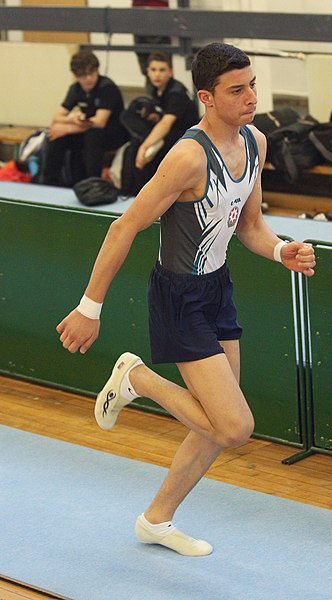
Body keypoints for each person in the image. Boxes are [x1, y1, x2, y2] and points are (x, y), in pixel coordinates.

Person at [56, 42, 316, 557]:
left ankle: (156, 519)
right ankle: (138, 379)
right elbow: (124, 226)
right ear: (206, 97)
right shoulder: (187, 157)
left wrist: (281, 249)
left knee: (214, 423)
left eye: (252, 85)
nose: (250, 97)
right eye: (236, 90)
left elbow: (251, 226)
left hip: (217, 289)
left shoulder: (257, 142)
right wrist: (90, 308)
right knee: (234, 426)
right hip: (178, 296)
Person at [43, 50, 129, 187]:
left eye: (92, 73)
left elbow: (100, 122)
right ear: (75, 75)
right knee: (54, 134)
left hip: (113, 133)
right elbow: (57, 117)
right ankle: (49, 182)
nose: (88, 78)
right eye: (83, 75)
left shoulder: (107, 87)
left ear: (97, 70)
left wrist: (68, 128)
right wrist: (71, 119)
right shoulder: (75, 89)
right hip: (86, 129)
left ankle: (92, 183)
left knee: (92, 135)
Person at [120, 51, 199, 196]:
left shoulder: (176, 92)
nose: (157, 75)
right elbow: (163, 118)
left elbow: (167, 124)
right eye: (153, 70)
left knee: (139, 150)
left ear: (170, 72)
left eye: (162, 70)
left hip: (183, 137)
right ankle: (129, 192)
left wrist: (145, 146)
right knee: (128, 120)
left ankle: (143, 195)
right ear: (148, 72)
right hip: (168, 132)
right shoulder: (156, 90)